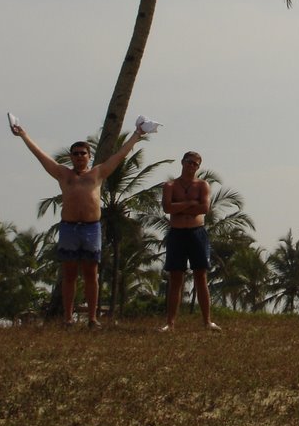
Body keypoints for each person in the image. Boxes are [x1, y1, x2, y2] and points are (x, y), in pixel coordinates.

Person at [12, 120, 146, 327]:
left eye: (83, 153)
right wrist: (23, 134)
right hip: (69, 228)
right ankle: (67, 318)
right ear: (71, 157)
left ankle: (92, 318)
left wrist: (137, 135)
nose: (79, 156)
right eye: (75, 153)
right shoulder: (62, 174)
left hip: (92, 228)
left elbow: (120, 155)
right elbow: (40, 155)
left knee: (92, 274)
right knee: (69, 274)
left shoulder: (98, 173)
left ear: (89, 156)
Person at [160, 151, 220, 332]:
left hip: (197, 233)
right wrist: (190, 203)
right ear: (182, 162)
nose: (192, 166)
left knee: (201, 276)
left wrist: (181, 206)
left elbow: (204, 208)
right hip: (177, 233)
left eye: (195, 164)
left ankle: (207, 321)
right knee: (176, 278)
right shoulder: (170, 185)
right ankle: (170, 323)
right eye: (189, 162)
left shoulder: (203, 185)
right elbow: (167, 207)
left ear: (198, 167)